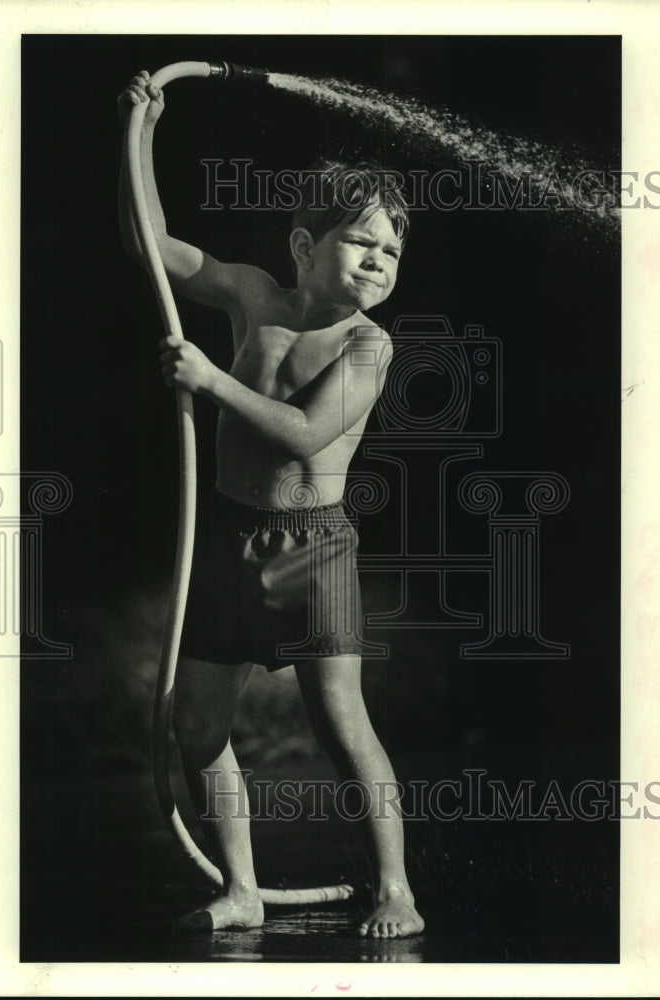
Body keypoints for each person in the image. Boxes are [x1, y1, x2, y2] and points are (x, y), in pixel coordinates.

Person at [118, 70, 424, 939]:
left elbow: (300, 432)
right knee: (198, 721)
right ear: (303, 244)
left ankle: (395, 889)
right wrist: (138, 135)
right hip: (226, 538)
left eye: (390, 253)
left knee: (340, 721)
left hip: (312, 549)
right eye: (360, 242)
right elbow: (149, 244)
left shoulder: (371, 345)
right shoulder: (254, 295)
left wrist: (211, 379)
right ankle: (242, 887)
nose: (376, 261)